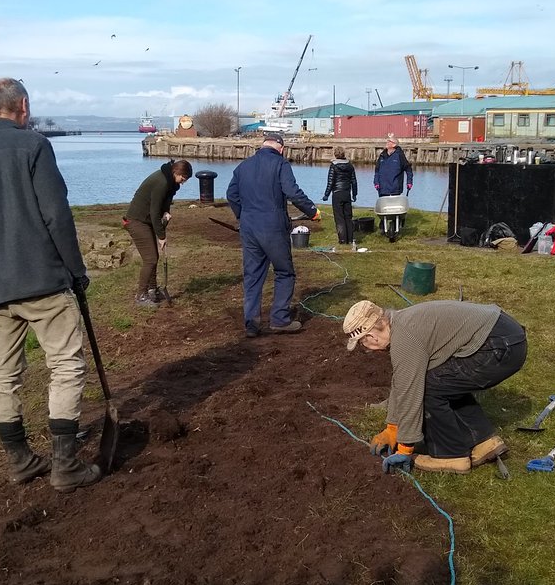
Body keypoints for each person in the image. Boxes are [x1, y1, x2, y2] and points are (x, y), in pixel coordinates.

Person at [0, 77, 102, 493]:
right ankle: (65, 467)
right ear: (22, 106)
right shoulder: (35, 146)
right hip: (42, 282)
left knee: (4, 374)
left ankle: (22, 461)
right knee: (65, 365)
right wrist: (76, 270)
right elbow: (56, 216)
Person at [343, 298, 528, 474]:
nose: (366, 348)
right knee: (445, 380)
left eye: (362, 343)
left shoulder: (405, 338)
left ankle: (451, 455)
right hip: (507, 335)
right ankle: (484, 441)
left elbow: (410, 391)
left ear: (371, 336)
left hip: (498, 347)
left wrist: (405, 448)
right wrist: (392, 427)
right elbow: (401, 380)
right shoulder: (402, 322)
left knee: (429, 387)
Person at [226, 131, 320, 337]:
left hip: (249, 228)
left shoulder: (243, 166)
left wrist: (243, 215)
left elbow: (231, 194)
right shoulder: (280, 164)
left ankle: (251, 324)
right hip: (273, 226)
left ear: (262, 145)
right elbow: (293, 192)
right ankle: (279, 319)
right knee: (284, 272)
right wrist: (312, 211)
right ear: (281, 148)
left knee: (253, 275)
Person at [124, 159, 192, 308]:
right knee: (151, 259)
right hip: (136, 221)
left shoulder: (170, 182)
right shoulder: (161, 182)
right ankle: (140, 296)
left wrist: (166, 212)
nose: (183, 182)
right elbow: (154, 212)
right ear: (177, 172)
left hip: (145, 220)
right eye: (183, 179)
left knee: (152, 257)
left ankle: (152, 290)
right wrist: (161, 236)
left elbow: (163, 204)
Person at [323, 147, 358, 244]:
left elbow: (330, 182)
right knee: (348, 217)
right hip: (347, 193)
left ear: (335, 154)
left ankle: (342, 239)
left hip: (337, 193)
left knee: (339, 218)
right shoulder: (350, 166)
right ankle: (350, 239)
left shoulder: (333, 166)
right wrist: (354, 194)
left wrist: (326, 194)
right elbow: (354, 181)